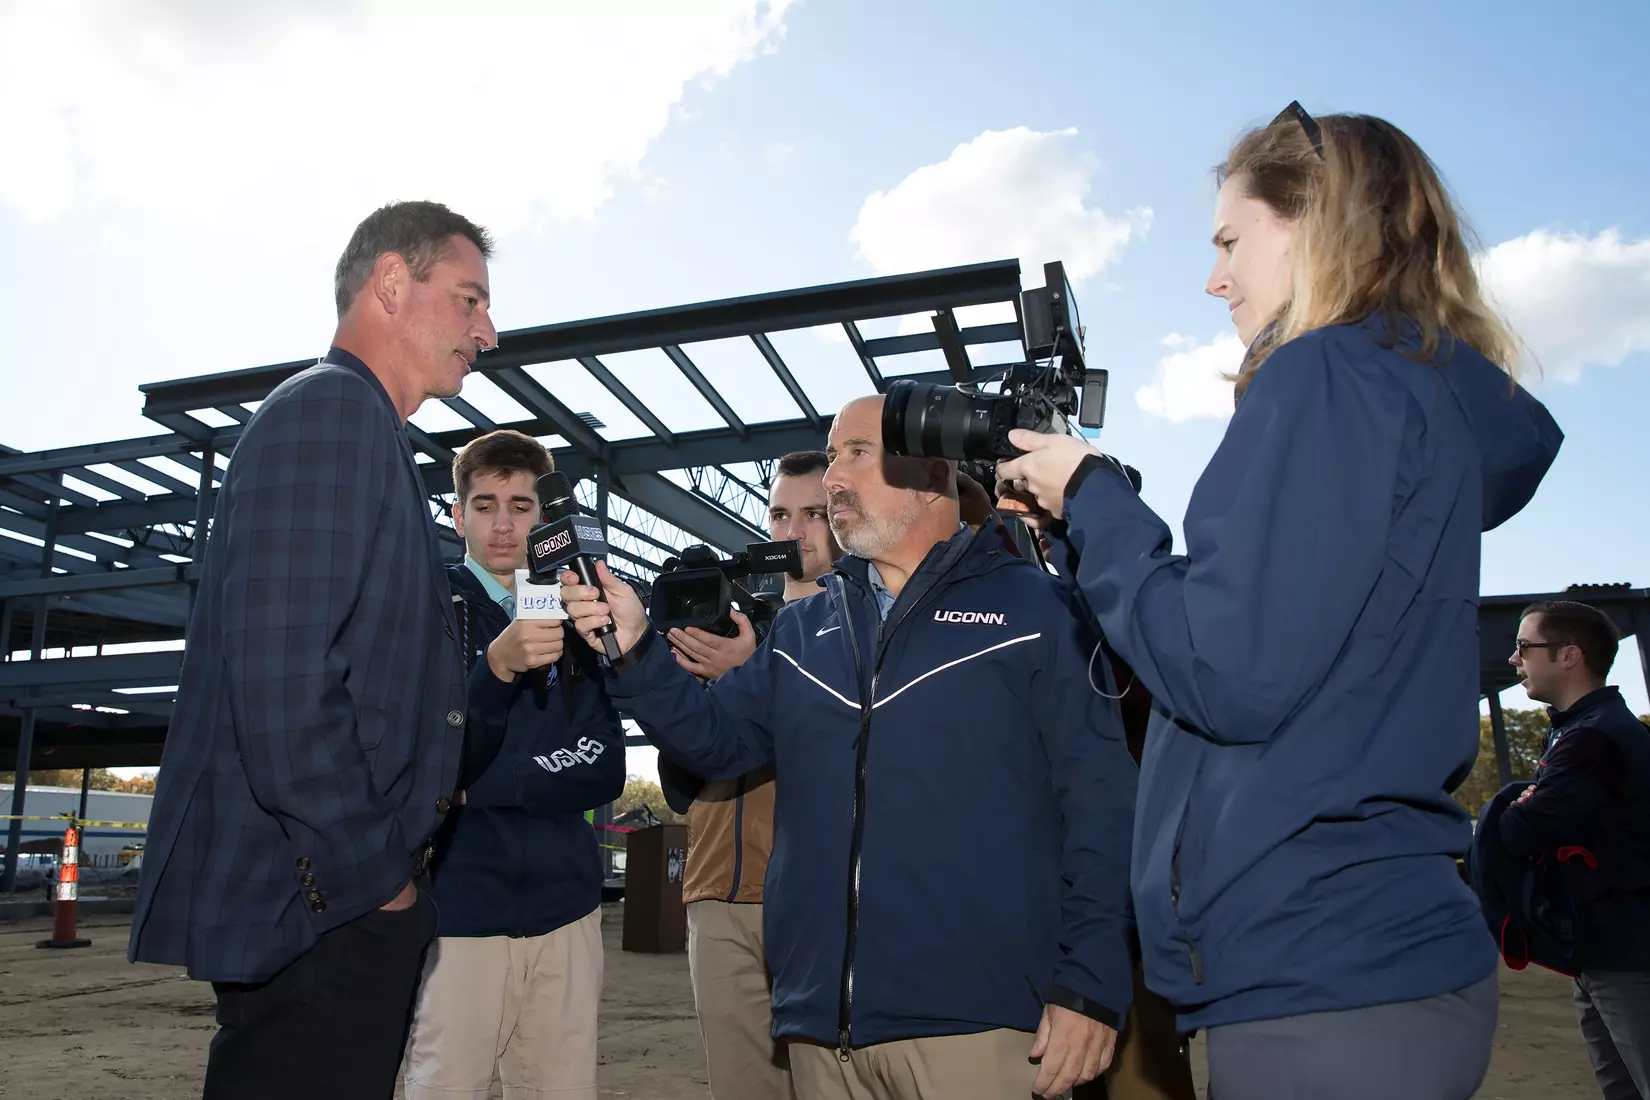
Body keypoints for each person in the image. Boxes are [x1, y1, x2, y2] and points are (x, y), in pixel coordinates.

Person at [996, 103, 1564, 1100]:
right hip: (1374, 959)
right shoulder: (1398, 390)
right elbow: (1273, 646)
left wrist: (1096, 496)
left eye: (1229, 241)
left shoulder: (1327, 372)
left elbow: (1226, 670)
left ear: (1315, 222)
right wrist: (1088, 538)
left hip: (1319, 970)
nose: (1214, 279)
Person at [561, 395, 1139, 1100]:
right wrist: (634, 649)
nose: (834, 477)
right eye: (832, 456)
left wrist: (1091, 983)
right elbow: (714, 744)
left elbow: (1102, 806)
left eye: (857, 453)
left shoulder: (1037, 611)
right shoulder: (803, 633)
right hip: (821, 1031)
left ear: (932, 472)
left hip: (979, 1027)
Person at [128, 200, 501, 1100]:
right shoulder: (330, 413)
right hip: (320, 916)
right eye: (469, 300)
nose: (488, 332)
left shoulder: (364, 428)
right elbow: (285, 686)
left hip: (331, 911)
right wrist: (378, 884)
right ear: (390, 284)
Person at [401, 430, 626, 1100]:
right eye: (485, 505)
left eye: (521, 506)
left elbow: (604, 765)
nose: (503, 524)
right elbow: (427, 762)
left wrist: (486, 786)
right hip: (458, 911)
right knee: (446, 1086)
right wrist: (494, 671)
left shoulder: (577, 607)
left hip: (568, 911)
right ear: (457, 515)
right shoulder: (422, 608)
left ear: (543, 517)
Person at [654, 449, 841, 1100]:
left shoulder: (862, 626)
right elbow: (680, 783)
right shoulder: (730, 621)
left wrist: (753, 675)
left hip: (815, 895)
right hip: (716, 895)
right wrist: (688, 686)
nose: (795, 532)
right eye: (780, 515)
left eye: (814, 514)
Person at [1499, 601, 1650, 1100]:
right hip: (1600, 948)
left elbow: (1520, 831)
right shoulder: (1579, 729)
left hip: (1628, 952)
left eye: (1524, 647)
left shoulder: (1593, 739)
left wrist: (1516, 808)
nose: (1513, 660)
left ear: (1569, 655)